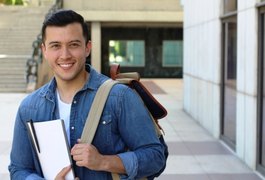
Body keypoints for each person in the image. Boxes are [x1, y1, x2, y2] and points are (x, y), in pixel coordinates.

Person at [8, 9, 165, 179]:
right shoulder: (29, 107)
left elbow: (156, 158)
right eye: (56, 46)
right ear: (44, 50)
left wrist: (103, 161)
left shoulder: (119, 97)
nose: (65, 55)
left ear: (87, 48)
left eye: (73, 44)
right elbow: (18, 169)